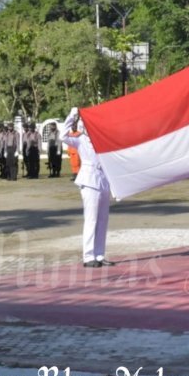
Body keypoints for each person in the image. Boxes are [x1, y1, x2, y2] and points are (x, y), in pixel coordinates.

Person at [61, 106, 114, 268]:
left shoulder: (102, 140)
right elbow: (62, 135)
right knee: (91, 219)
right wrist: (72, 116)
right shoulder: (81, 139)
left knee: (103, 220)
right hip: (89, 179)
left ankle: (99, 254)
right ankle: (88, 255)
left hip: (103, 179)